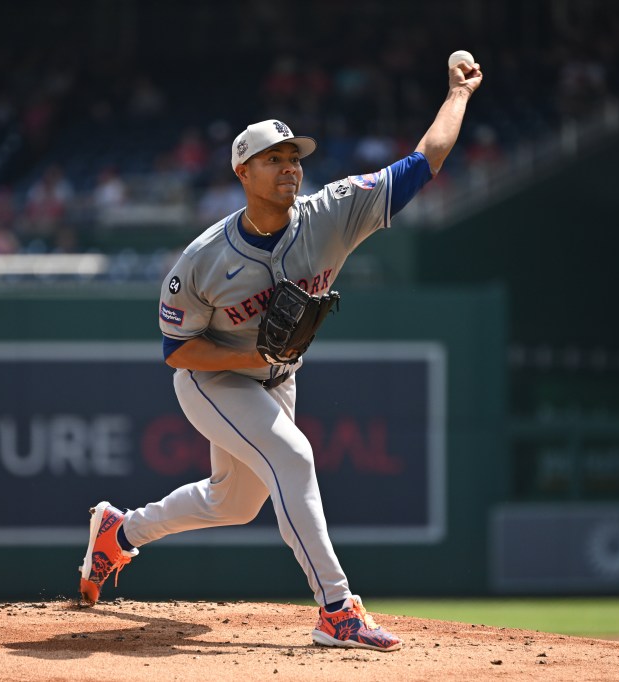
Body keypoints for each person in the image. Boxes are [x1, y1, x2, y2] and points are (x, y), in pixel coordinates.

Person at [77, 56, 483, 652]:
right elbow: (178, 352)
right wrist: (250, 362)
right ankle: (337, 610)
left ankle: (119, 532)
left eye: (296, 158)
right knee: (294, 457)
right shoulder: (202, 260)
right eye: (275, 159)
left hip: (277, 377)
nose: (290, 167)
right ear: (243, 170)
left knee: (234, 502)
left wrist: (458, 95)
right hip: (212, 380)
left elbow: (427, 161)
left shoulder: (335, 212)